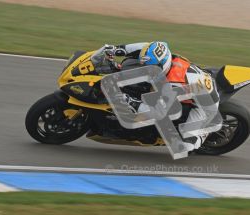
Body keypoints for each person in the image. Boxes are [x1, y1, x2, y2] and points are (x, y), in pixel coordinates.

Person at [91, 42, 220, 150]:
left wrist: (130, 101)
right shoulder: (159, 52)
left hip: (205, 107)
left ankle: (204, 133)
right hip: (194, 85)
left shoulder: (175, 85)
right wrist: (118, 48)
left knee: (185, 146)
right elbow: (143, 47)